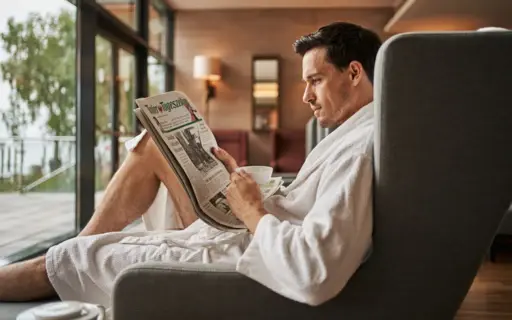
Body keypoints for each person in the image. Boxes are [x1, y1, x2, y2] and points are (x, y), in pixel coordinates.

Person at [0, 22, 381, 309]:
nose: (305, 96)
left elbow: (315, 271)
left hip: (245, 255)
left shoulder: (359, 150)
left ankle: (66, 255)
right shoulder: (356, 134)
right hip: (245, 235)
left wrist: (252, 212)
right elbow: (307, 209)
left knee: (78, 256)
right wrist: (242, 188)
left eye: (315, 80)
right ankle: (75, 250)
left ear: (353, 72)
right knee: (151, 152)